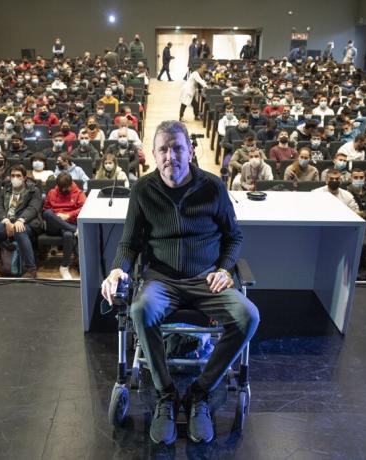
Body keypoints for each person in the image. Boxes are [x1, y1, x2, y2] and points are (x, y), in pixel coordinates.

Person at [101, 120, 259, 445]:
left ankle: (201, 393)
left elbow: (234, 236)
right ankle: (166, 396)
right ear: (154, 155)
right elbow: (129, 243)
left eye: (177, 148)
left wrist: (226, 268)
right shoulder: (143, 190)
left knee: (249, 316)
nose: (170, 156)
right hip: (162, 280)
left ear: (190, 151)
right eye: (163, 149)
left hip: (206, 279)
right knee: (140, 311)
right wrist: (118, 269)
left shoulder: (213, 187)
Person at [0, 164, 42, 278]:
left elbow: (33, 208)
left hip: (26, 222)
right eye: (12, 175)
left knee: (19, 230)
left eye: (18, 175)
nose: (15, 178)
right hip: (7, 221)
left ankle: (31, 270)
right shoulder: (5, 189)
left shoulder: (33, 190)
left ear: (24, 178)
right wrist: (6, 221)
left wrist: (20, 220)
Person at [43, 172, 86, 280]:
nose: (65, 190)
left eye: (67, 187)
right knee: (48, 213)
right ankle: (75, 230)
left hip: (69, 222)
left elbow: (84, 208)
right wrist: (57, 216)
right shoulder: (52, 192)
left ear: (71, 184)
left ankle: (64, 266)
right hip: (54, 225)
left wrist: (68, 215)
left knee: (68, 235)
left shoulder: (79, 193)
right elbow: (45, 209)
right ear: (58, 186)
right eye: (62, 188)